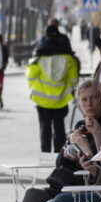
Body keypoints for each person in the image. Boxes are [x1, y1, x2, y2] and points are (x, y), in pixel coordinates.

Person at [27, 24, 79, 152]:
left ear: (46, 35)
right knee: (59, 126)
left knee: (45, 126)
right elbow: (73, 79)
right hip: (61, 98)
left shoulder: (39, 56)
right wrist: (67, 90)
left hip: (42, 99)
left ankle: (45, 152)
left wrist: (38, 88)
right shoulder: (68, 57)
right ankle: (59, 152)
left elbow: (31, 76)